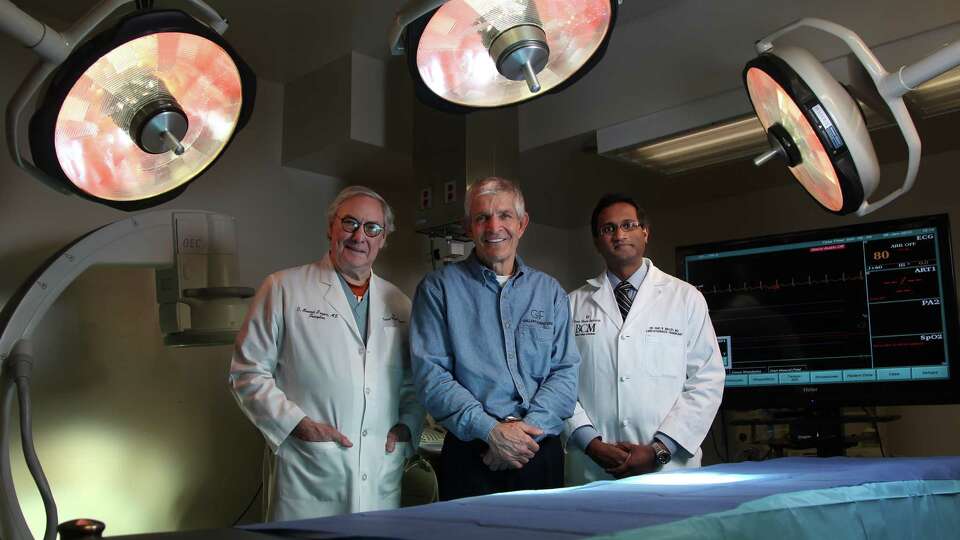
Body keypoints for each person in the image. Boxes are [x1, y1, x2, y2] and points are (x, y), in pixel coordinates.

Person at [229, 186, 424, 521]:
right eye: (349, 223)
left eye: (372, 228)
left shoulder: (399, 303)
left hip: (379, 470)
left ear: (383, 238)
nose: (359, 236)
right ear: (331, 228)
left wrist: (408, 425)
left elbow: (414, 381)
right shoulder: (283, 288)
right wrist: (297, 426)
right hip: (308, 469)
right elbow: (247, 373)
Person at [410, 176, 580, 500]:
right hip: (471, 454)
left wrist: (523, 435)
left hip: (538, 451)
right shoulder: (438, 290)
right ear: (468, 226)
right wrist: (490, 431)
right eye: (482, 217)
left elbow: (565, 372)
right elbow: (431, 376)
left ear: (522, 223)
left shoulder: (550, 292)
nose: (493, 226)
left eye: (504, 215)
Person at [564, 193, 724, 485]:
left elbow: (707, 380)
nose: (619, 234)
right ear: (597, 241)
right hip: (592, 469)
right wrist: (590, 443)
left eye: (628, 225)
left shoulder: (686, 298)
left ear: (645, 232)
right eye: (608, 228)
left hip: (670, 470)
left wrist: (660, 450)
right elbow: (558, 382)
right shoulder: (572, 304)